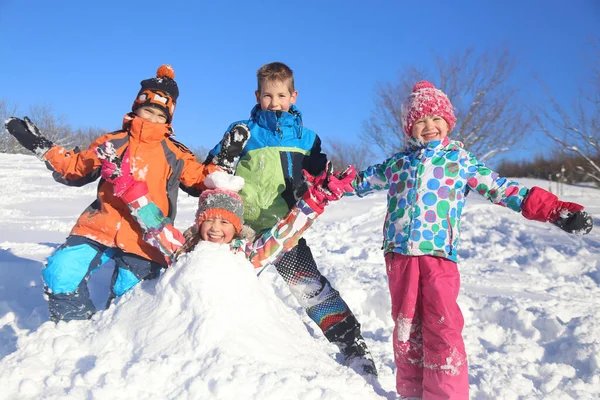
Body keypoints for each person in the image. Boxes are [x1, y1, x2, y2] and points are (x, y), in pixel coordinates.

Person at [349, 80, 594, 399]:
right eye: (420, 120)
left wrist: (552, 209)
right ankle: (411, 392)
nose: (429, 126)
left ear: (448, 122)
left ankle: (445, 394)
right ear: (410, 127)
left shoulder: (460, 162)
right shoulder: (397, 164)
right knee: (407, 328)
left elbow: (505, 190)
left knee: (443, 327)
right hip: (399, 257)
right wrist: (323, 181)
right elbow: (357, 182)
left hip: (439, 257)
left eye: (436, 118)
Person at [3, 65, 236, 323]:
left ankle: (114, 338)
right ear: (136, 108)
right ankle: (74, 330)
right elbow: (76, 168)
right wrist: (44, 148)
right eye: (147, 110)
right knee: (60, 272)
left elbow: (203, 180)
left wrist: (222, 165)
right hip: (99, 226)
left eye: (160, 115)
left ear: (169, 118)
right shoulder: (111, 142)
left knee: (131, 301)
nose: (151, 119)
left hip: (147, 238)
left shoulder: (175, 152)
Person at [203, 62, 377, 376]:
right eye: (268, 95)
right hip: (240, 228)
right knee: (223, 284)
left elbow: (317, 176)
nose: (274, 102)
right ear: (257, 95)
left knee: (309, 287)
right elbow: (212, 170)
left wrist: (323, 182)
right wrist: (220, 162)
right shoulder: (243, 131)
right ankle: (213, 344)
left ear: (293, 96)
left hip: (283, 229)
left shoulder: (307, 139)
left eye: (281, 95)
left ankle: (352, 345)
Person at [95, 141, 356, 272]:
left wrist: (315, 200)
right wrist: (127, 186)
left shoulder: (244, 256)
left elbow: (284, 236)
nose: (215, 229)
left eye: (225, 222)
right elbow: (154, 223)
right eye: (210, 220)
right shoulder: (184, 249)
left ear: (237, 227)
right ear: (199, 222)